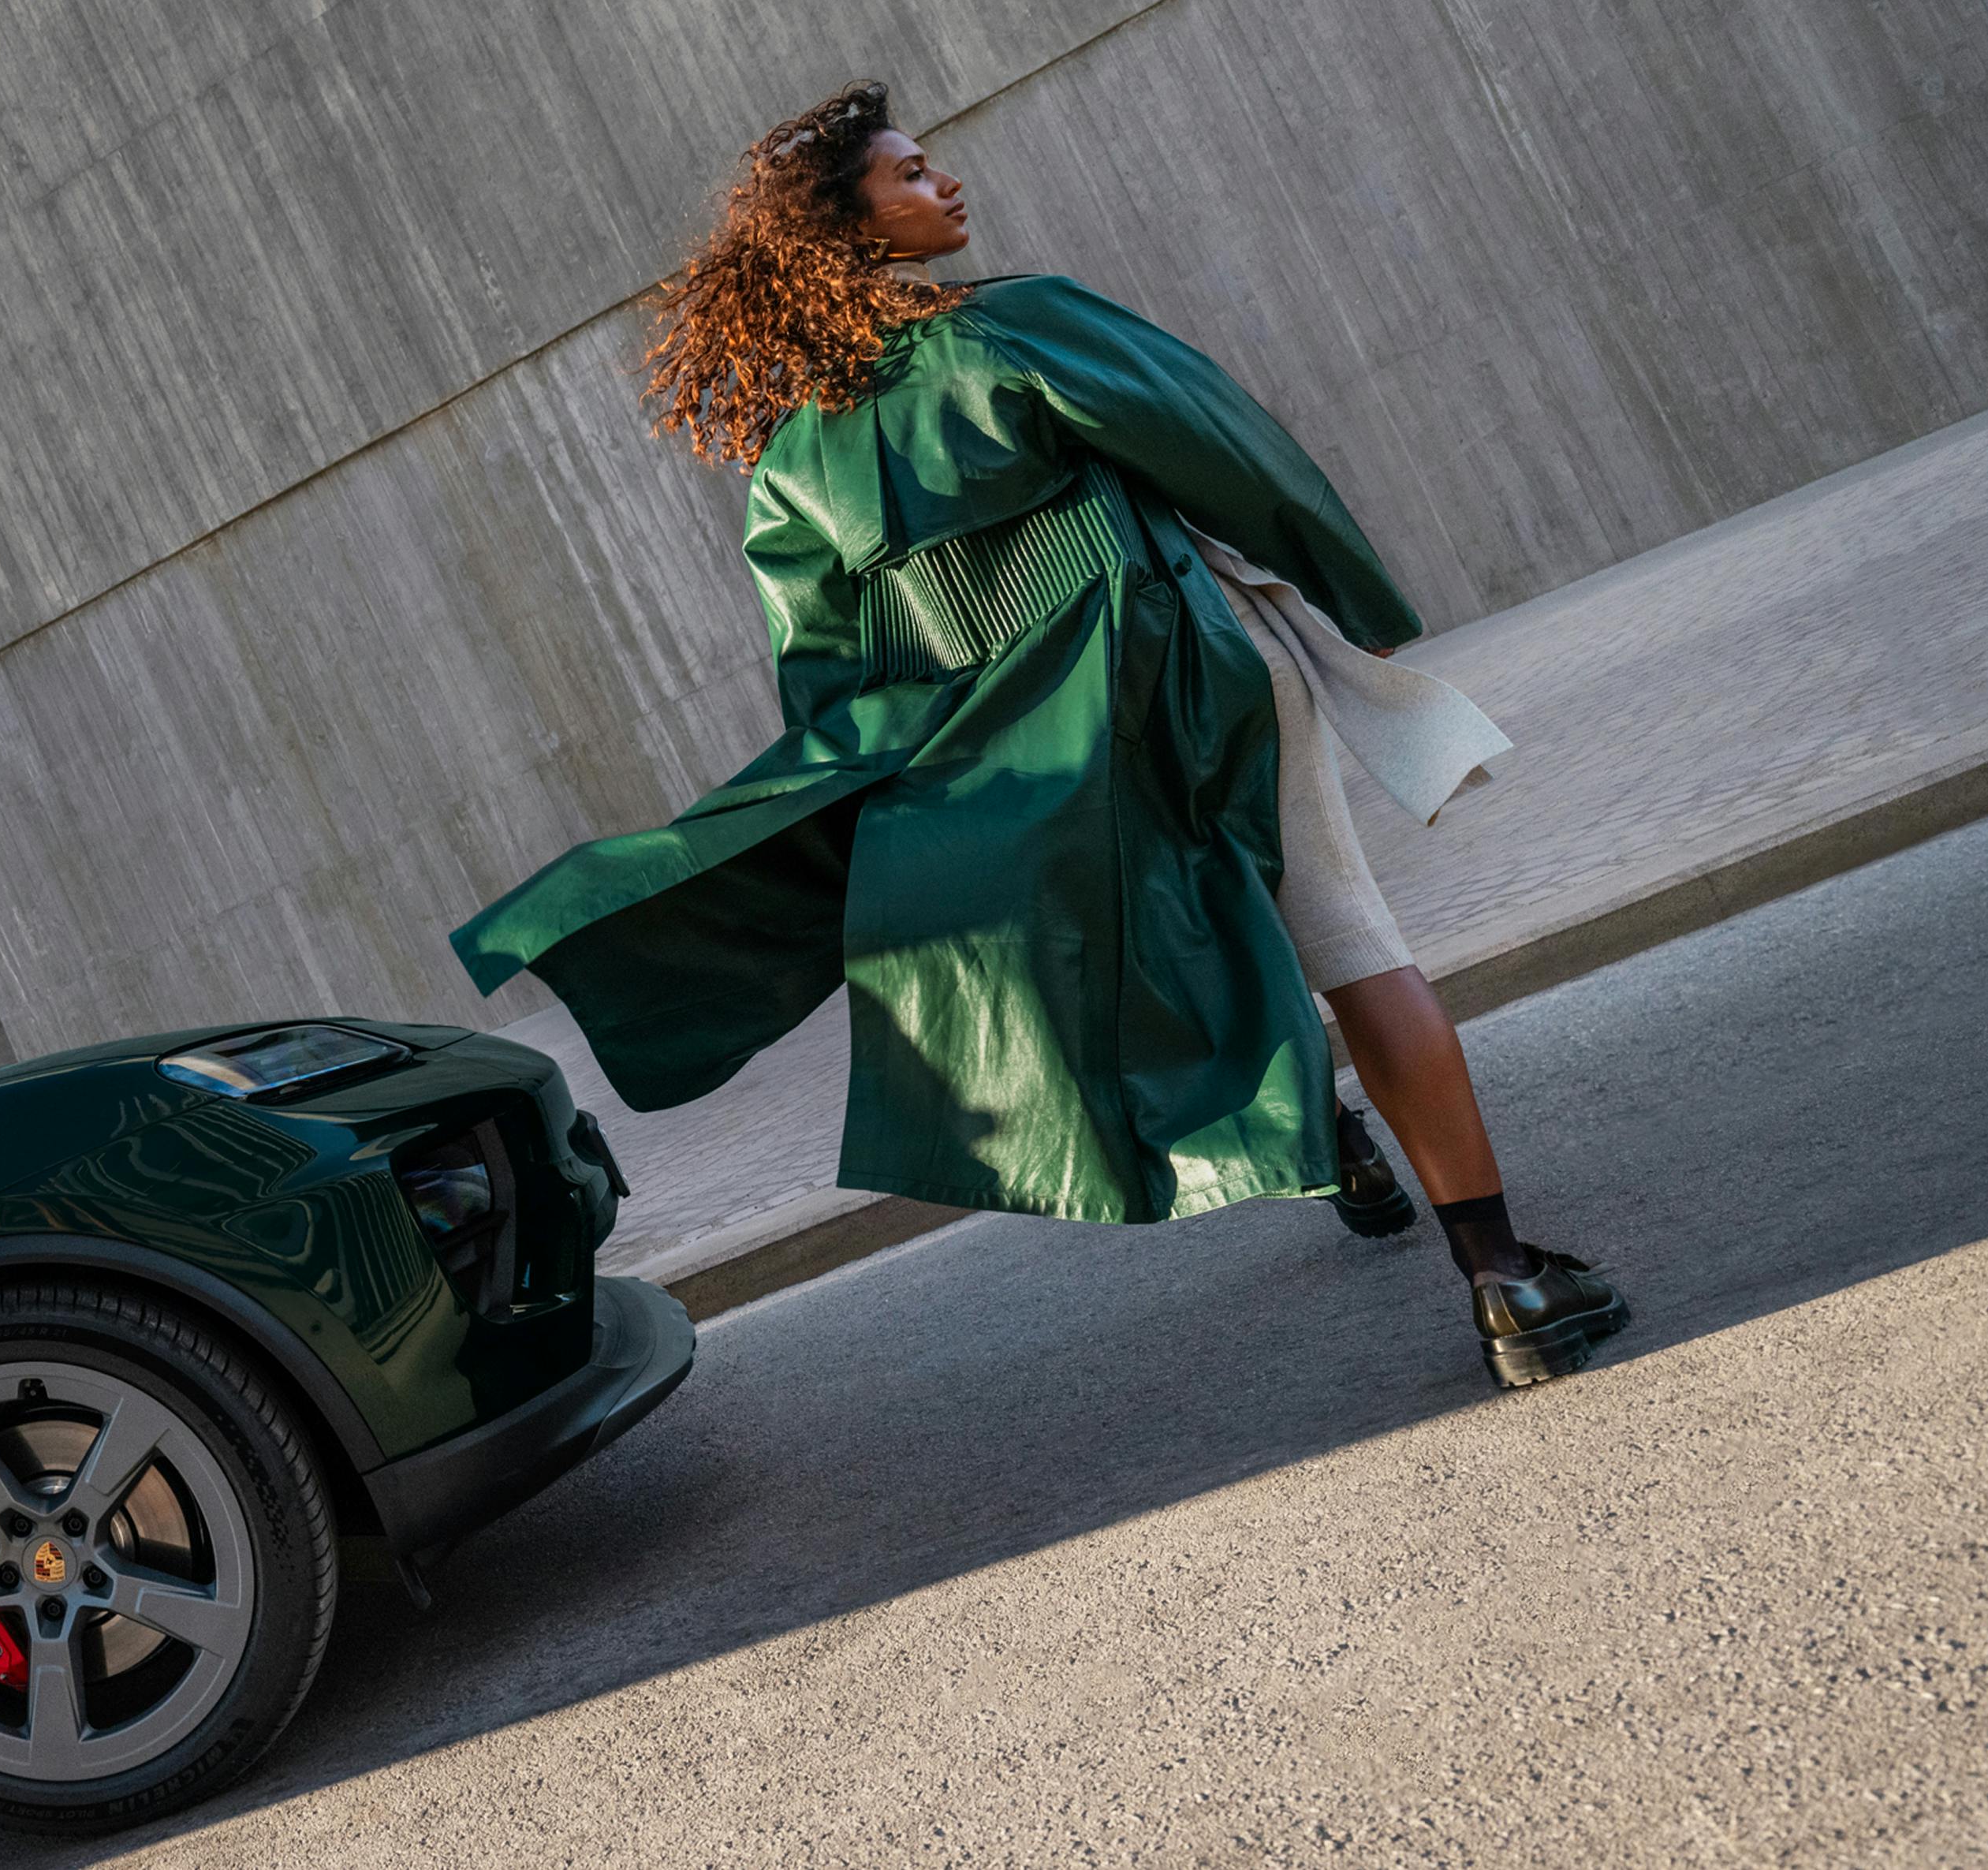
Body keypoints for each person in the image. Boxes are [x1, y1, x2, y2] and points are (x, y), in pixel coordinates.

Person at [450, 80, 1627, 1387]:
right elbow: (1222, 445)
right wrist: (1358, 595)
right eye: (909, 175)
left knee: (1154, 940)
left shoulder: (792, 466)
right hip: (1186, 663)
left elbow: (828, 681)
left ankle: (1326, 1139)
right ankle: (1508, 1282)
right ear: (853, 231)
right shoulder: (1018, 324)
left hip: (1015, 745)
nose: (942, 184)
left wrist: (894, 804)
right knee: (1348, 939)